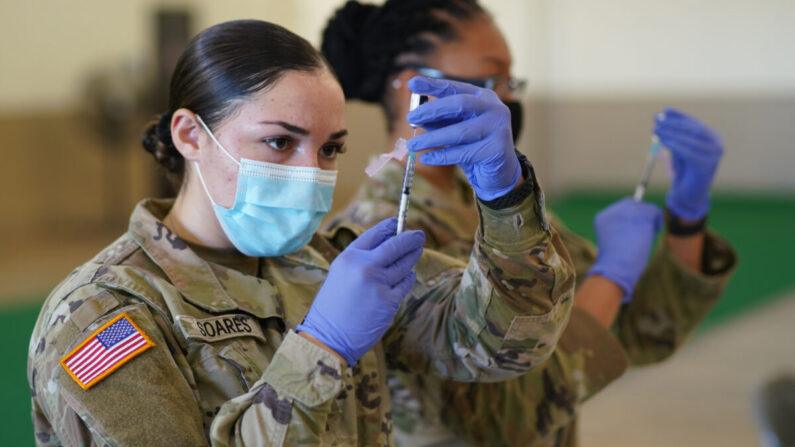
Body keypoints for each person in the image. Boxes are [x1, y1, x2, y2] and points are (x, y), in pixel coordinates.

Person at [27, 19, 577, 446]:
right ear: (191, 134)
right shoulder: (106, 315)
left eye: (330, 148)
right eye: (278, 142)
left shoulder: (330, 265)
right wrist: (321, 347)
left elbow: (507, 341)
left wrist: (504, 196)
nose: (310, 170)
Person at [321, 0, 738, 445]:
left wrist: (687, 221)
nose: (506, 98)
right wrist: (612, 277)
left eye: (509, 81)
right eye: (490, 77)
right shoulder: (383, 231)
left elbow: (639, 332)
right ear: (413, 86)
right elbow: (511, 408)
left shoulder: (499, 205)